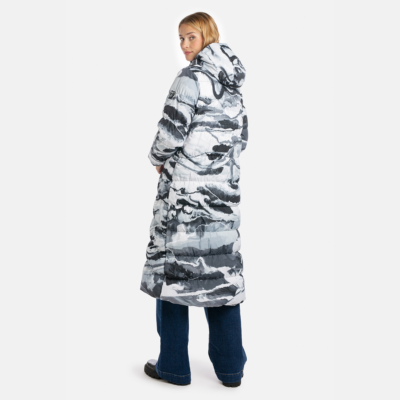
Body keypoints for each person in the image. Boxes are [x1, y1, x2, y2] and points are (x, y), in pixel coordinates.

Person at [140, 12, 249, 387]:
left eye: (191, 37)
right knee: (220, 277)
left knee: (175, 276)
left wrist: (158, 159)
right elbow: (242, 139)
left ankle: (173, 366)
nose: (184, 45)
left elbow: (171, 131)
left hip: (185, 200)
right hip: (223, 198)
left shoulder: (190, 78)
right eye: (180, 38)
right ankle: (231, 369)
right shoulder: (231, 84)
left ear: (207, 36)